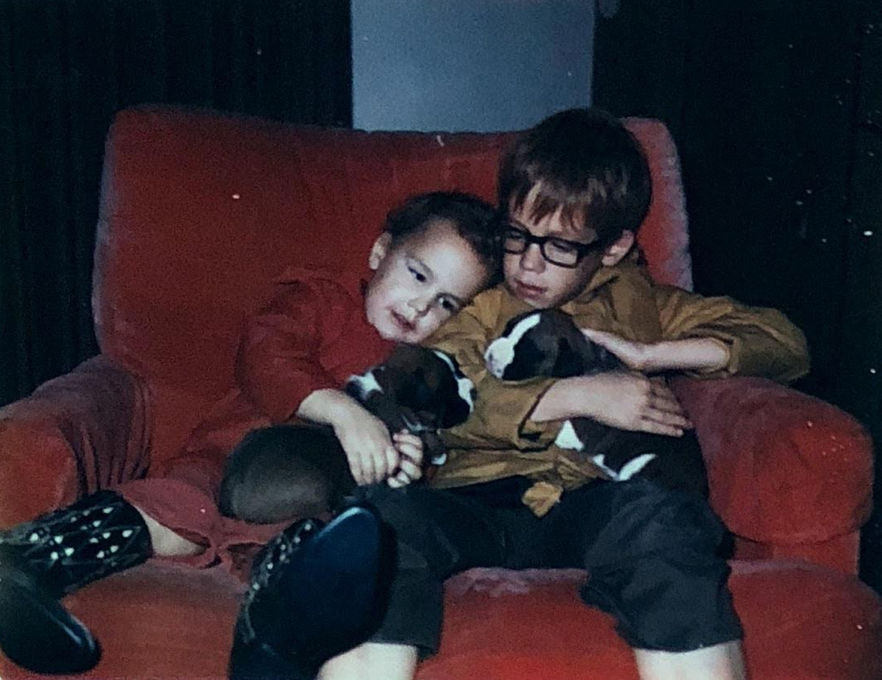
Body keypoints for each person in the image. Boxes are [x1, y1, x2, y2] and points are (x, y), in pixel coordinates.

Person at [312, 108, 809, 680]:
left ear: (615, 248)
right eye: (518, 236)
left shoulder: (643, 306)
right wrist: (578, 397)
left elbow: (784, 341)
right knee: (377, 523)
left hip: (586, 503)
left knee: (665, 521)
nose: (528, 263)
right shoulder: (477, 298)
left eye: (560, 247)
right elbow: (438, 393)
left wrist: (655, 356)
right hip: (470, 498)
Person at [0, 191, 502, 677]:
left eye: (445, 305)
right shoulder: (324, 300)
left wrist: (411, 461)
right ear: (379, 251)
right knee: (172, 515)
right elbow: (264, 353)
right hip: (222, 464)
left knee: (325, 557)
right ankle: (28, 563)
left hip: (303, 519)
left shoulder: (424, 369)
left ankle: (268, 642)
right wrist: (344, 414)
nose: (420, 308)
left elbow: (430, 455)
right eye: (417, 276)